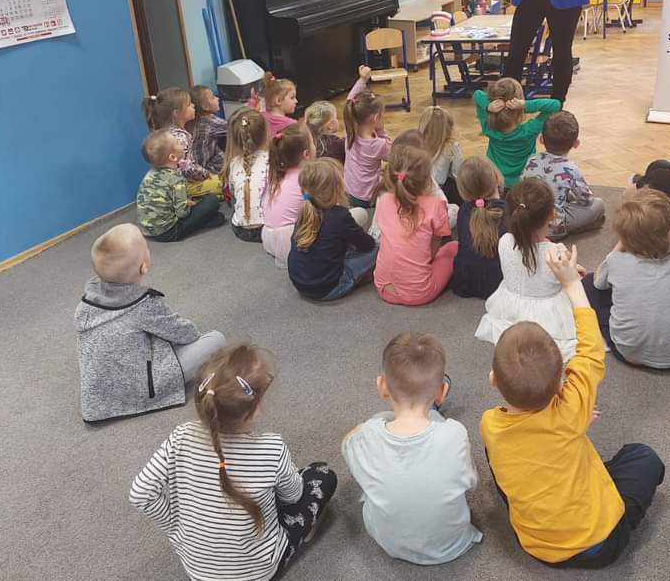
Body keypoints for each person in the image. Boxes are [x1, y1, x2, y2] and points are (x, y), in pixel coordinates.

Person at [481, 245, 666, 569]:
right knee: (643, 457)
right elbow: (591, 351)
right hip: (601, 545)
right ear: (560, 385)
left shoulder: (489, 424)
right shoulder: (571, 407)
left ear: (493, 379)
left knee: (495, 451)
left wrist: (574, 423)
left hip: (535, 545)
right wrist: (571, 284)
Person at [129, 345, 338, 581]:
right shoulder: (271, 448)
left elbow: (140, 494)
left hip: (198, 572)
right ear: (255, 409)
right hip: (258, 572)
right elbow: (293, 496)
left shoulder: (180, 436)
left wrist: (175, 525)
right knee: (322, 474)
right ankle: (297, 538)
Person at [342, 333, 482, 565]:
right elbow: (471, 483)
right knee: (434, 421)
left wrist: (366, 428)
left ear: (382, 387)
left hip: (390, 543)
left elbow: (347, 445)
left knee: (381, 418)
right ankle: (430, 411)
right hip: (452, 544)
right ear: (441, 392)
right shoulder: (455, 433)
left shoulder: (368, 436)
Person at [75, 223, 225, 422]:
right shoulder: (144, 304)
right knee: (216, 339)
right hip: (140, 391)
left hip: (96, 399)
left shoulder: (86, 302)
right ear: (144, 266)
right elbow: (186, 333)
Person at [582, 188, 670, 369]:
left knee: (589, 283)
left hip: (627, 353)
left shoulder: (615, 261)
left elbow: (598, 282)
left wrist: (622, 242)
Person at [475, 178, 576, 361]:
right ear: (552, 215)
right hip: (548, 316)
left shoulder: (504, 241)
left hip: (510, 307)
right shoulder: (556, 252)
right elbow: (569, 279)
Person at [373, 141, 457, 306]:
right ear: (428, 181)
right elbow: (435, 245)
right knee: (453, 247)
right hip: (419, 293)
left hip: (383, 287)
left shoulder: (383, 201)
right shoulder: (436, 205)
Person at [288, 159, 376, 300]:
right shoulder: (340, 215)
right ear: (336, 189)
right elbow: (367, 245)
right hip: (329, 288)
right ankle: (358, 278)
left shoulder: (304, 212)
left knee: (340, 245)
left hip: (300, 284)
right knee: (377, 249)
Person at [523, 110, 605, 240]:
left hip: (528, 223)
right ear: (576, 144)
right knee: (599, 204)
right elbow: (586, 200)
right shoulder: (571, 169)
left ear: (541, 139)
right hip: (554, 230)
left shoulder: (531, 160)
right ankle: (570, 229)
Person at [137, 131, 225, 241]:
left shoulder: (150, 174)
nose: (181, 143)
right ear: (173, 157)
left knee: (213, 214)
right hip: (168, 232)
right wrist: (191, 205)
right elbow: (182, 213)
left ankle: (208, 219)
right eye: (178, 142)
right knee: (212, 201)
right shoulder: (176, 178)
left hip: (147, 231)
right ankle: (205, 220)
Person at [474, 77, 561, 187]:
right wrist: (525, 105)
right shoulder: (529, 130)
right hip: (522, 183)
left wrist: (488, 106)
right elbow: (555, 105)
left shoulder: (489, 128)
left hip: (496, 181)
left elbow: (477, 94)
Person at [142, 88, 221, 198]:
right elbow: (187, 167)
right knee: (225, 182)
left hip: (177, 184)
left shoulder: (168, 133)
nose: (193, 105)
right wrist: (206, 173)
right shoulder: (179, 137)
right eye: (189, 105)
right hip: (186, 186)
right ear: (176, 113)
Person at [451, 156, 507, 299]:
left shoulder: (463, 211)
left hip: (465, 283)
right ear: (496, 179)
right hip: (501, 284)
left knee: (451, 247)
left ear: (462, 189)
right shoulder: (510, 211)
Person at [262, 125, 316, 267]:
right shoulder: (307, 178)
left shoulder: (277, 175)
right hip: (291, 244)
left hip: (268, 237)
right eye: (313, 143)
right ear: (306, 154)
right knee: (355, 216)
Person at [344, 67, 391, 208]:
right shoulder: (379, 144)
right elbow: (393, 155)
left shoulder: (350, 129)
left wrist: (362, 79)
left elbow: (350, 100)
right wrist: (381, 130)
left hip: (349, 191)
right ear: (376, 118)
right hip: (367, 198)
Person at [221, 108, 269, 242]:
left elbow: (233, 193)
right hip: (267, 228)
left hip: (240, 230)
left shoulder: (233, 163)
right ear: (265, 133)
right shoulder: (272, 159)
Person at [419, 105, 464, 205]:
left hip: (418, 189)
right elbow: (459, 173)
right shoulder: (451, 146)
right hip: (440, 191)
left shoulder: (415, 144)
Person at [188, 85, 227, 174]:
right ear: (205, 107)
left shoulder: (197, 120)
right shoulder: (208, 121)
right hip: (209, 168)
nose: (217, 98)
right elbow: (234, 126)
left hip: (201, 165)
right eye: (213, 97)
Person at [259, 73, 299, 137]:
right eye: (292, 97)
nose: (296, 101)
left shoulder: (260, 118)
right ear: (278, 101)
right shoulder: (292, 125)